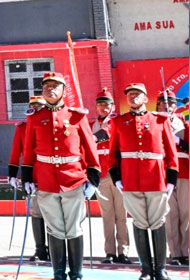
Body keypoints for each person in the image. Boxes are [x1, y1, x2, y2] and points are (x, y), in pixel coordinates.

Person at [21, 72, 101, 280]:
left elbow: (89, 148)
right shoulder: (35, 118)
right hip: (46, 181)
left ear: (64, 91)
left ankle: (76, 274)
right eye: (46, 86)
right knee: (55, 229)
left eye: (55, 86)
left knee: (73, 228)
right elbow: (29, 150)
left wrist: (93, 177)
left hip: (72, 179)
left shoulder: (77, 117)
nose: (50, 89)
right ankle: (58, 274)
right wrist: (27, 178)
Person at [108, 83, 179, 280]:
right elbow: (113, 154)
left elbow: (171, 154)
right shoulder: (118, 122)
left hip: (156, 179)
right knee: (139, 223)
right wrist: (117, 179)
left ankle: (161, 269)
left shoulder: (159, 120)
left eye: (137, 94)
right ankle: (146, 270)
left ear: (146, 98)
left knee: (157, 222)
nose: (133, 97)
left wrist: (171, 180)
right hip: (130, 181)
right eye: (130, 94)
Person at [92, 88, 131, 264]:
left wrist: (92, 137)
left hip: (117, 173)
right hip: (101, 174)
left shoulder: (116, 121)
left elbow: (107, 134)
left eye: (106, 104)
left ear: (112, 106)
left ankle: (124, 251)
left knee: (121, 214)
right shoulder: (92, 124)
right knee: (107, 215)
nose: (102, 107)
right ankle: (110, 252)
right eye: (99, 104)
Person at [8, 96, 48, 262]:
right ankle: (40, 249)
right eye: (34, 106)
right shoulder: (23, 128)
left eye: (40, 107)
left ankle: (56, 248)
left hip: (50, 174)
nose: (36, 109)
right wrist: (12, 173)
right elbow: (16, 151)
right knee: (36, 213)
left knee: (53, 215)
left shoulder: (50, 125)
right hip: (31, 176)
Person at [158, 90, 189, 267]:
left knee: (187, 214)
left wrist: (178, 140)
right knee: (170, 215)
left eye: (171, 102)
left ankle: (187, 252)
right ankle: (175, 253)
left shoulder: (184, 123)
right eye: (163, 102)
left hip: (184, 172)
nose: (167, 105)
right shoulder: (154, 123)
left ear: (176, 105)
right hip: (164, 173)